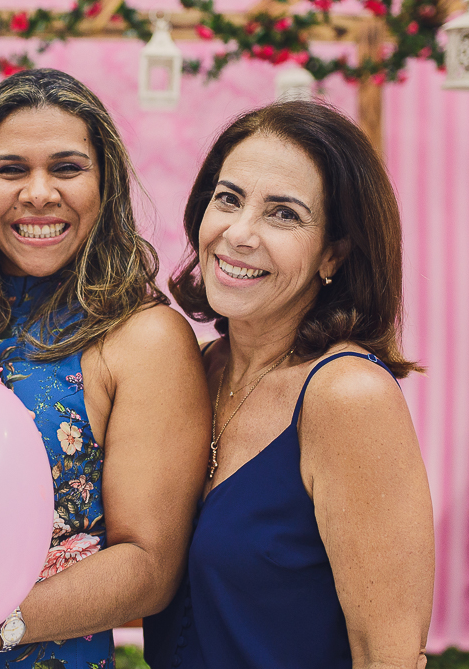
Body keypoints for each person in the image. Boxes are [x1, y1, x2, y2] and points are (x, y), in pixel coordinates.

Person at [0, 68, 212, 669]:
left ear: (105, 186)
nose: (39, 192)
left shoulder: (144, 338)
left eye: (68, 168)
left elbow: (148, 566)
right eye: (11, 170)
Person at [148, 100, 434, 669]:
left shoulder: (347, 396)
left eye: (283, 214)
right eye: (228, 199)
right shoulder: (196, 371)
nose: (239, 233)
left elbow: (389, 655)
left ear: (334, 253)